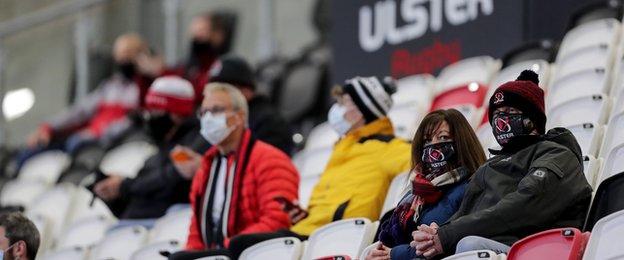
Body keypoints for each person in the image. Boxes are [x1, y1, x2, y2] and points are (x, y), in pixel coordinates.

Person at [171, 76, 412, 260]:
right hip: (310, 228)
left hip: (334, 231)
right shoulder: (343, 147)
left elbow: (421, 162)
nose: (336, 108)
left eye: (343, 102)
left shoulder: (388, 148)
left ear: (363, 110)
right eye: (204, 112)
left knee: (236, 246)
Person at [410, 70, 592, 258]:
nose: (501, 120)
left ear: (532, 118)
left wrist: (448, 235)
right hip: (496, 247)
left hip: (538, 248)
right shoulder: (488, 168)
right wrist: (437, 233)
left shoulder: (556, 153)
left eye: (510, 112)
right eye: (496, 114)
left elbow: (525, 205)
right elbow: (464, 215)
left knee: (469, 245)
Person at [168, 83, 299, 260]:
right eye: (204, 112)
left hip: (250, 252)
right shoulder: (206, 167)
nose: (208, 118)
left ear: (239, 116)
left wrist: (231, 245)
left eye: (216, 110)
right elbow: (197, 230)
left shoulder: (270, 159)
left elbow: (278, 220)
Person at [18, 33, 153, 170]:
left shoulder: (148, 87)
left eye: (128, 53)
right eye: (119, 54)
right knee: (30, 152)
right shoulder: (111, 85)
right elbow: (80, 111)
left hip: (98, 144)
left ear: (142, 54)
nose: (122, 59)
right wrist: (48, 127)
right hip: (81, 138)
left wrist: (98, 134)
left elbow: (134, 119)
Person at [367, 109, 486, 260]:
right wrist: (378, 253)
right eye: (427, 141)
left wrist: (393, 254)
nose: (433, 146)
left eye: (443, 137)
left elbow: (443, 246)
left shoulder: (473, 186)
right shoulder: (414, 194)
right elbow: (387, 241)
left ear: (461, 142)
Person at [93, 76, 209, 221]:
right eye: (149, 110)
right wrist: (114, 194)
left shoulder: (198, 142)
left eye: (156, 110)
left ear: (177, 114)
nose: (149, 116)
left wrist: (125, 185)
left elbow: (171, 179)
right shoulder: (159, 152)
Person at [138, 12, 236, 105]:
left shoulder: (223, 67)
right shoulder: (189, 65)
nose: (195, 37)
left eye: (201, 31)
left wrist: (162, 73)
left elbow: (201, 92)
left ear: (218, 35)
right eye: (194, 32)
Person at [207, 55, 293, 154]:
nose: (216, 95)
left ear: (245, 89)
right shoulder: (213, 117)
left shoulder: (270, 123)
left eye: (223, 89)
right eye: (213, 89)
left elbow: (267, 162)